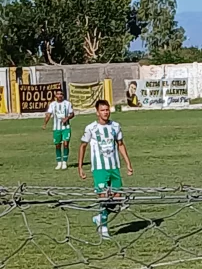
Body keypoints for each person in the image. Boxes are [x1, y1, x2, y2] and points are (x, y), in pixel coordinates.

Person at [78, 100, 134, 239]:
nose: (105, 112)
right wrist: (80, 167)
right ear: (97, 112)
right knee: (103, 199)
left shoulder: (115, 126)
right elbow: (83, 146)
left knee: (117, 199)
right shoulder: (91, 128)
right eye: (102, 110)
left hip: (114, 167)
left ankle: (99, 218)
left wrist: (128, 163)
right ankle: (103, 229)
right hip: (99, 169)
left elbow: (120, 144)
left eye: (107, 109)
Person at [43, 89, 75, 170]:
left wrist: (67, 118)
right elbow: (49, 114)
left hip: (66, 128)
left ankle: (64, 162)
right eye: (58, 94)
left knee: (65, 144)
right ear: (55, 95)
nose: (60, 95)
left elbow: (72, 114)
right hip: (56, 129)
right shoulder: (52, 104)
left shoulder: (67, 104)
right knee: (57, 145)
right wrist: (45, 124)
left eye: (61, 94)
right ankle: (59, 162)